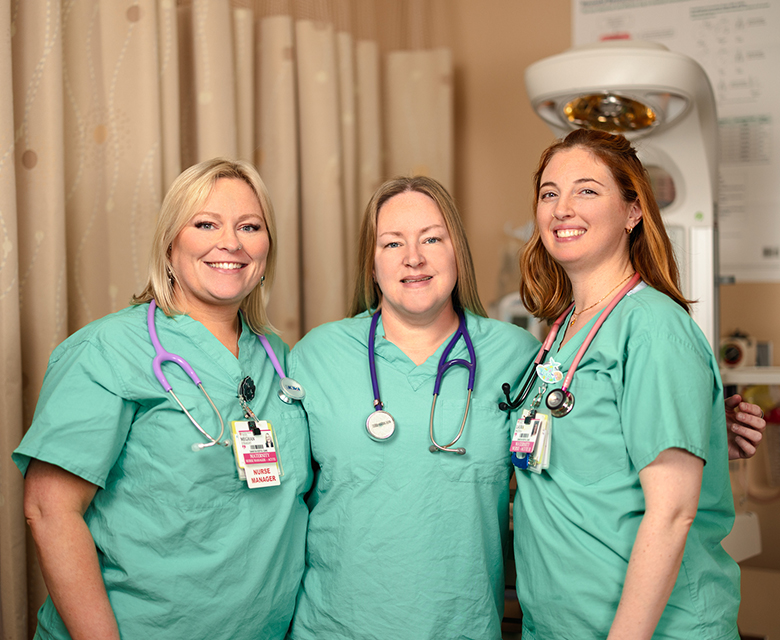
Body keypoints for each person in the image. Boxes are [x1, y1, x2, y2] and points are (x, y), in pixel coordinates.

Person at [14, 159, 311, 639]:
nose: (230, 243)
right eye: (206, 223)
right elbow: (50, 512)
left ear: (267, 247)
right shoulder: (108, 351)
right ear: (171, 244)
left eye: (249, 226)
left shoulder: (276, 356)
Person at [286, 176, 541, 639]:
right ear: (372, 261)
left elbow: (575, 466)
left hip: (461, 626)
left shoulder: (518, 357)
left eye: (432, 238)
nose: (414, 258)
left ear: (456, 251)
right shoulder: (315, 356)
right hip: (334, 627)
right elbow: (276, 503)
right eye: (392, 243)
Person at [511, 128, 742, 639]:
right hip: (561, 625)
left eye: (587, 190)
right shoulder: (561, 330)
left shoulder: (654, 328)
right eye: (549, 193)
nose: (562, 208)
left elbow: (674, 511)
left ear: (633, 211)